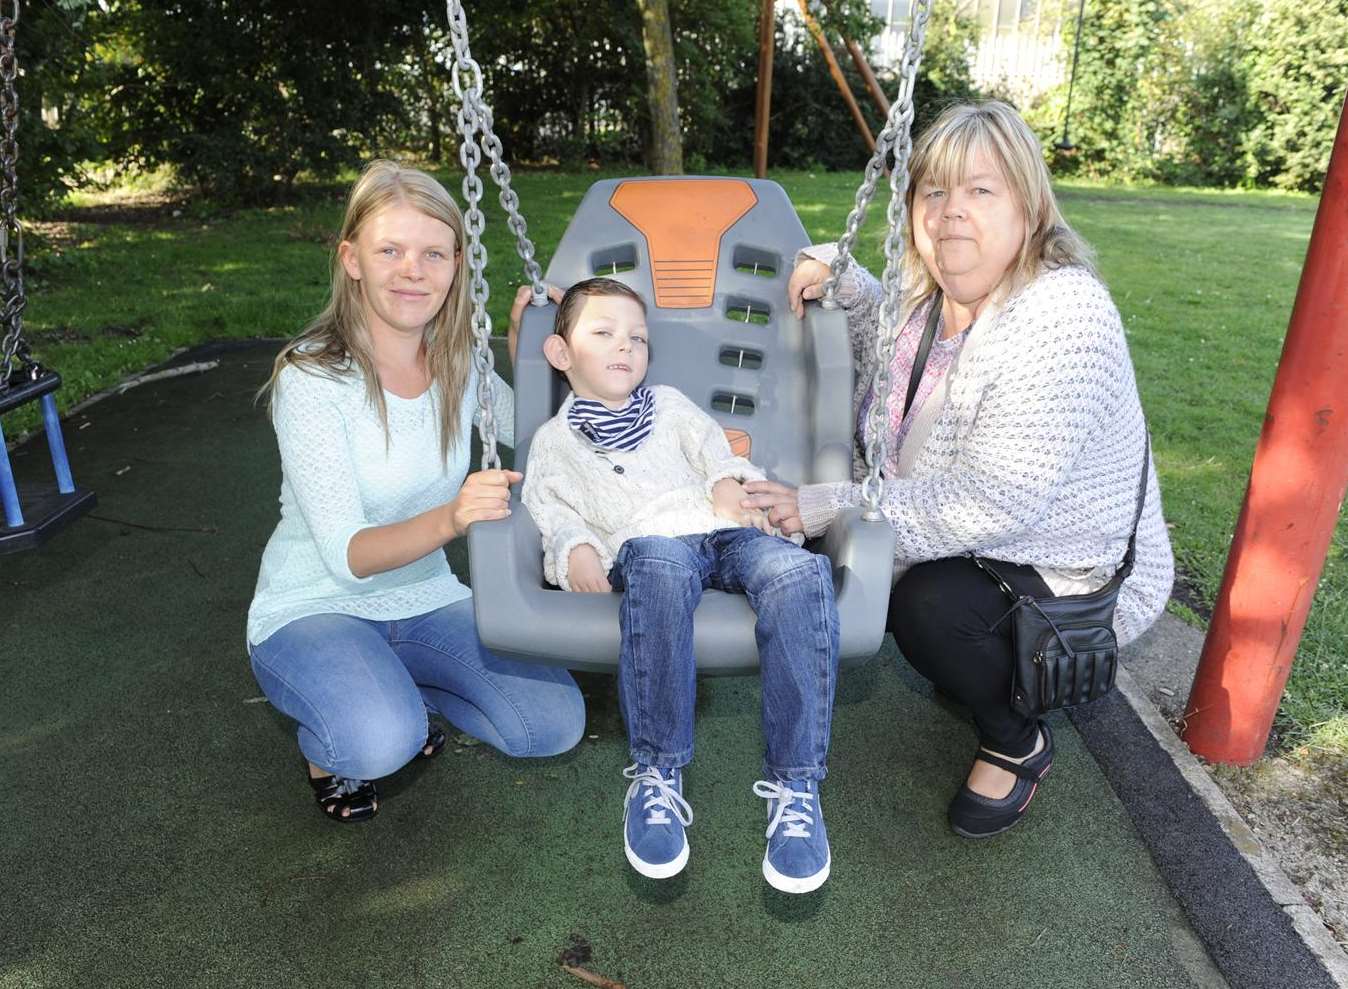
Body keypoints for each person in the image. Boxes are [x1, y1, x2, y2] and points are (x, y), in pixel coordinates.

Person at [741, 100, 1175, 838]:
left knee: (924, 607)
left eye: (981, 191)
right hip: (975, 539)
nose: (950, 214)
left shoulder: (1062, 317)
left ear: (1029, 207)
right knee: (841, 560)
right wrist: (837, 273)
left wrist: (829, 503)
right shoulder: (939, 298)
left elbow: (994, 503)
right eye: (933, 192)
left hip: (1063, 573)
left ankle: (1016, 736)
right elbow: (897, 352)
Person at [246, 160, 585, 823]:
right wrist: (454, 516)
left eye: (434, 253)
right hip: (315, 606)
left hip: (424, 597)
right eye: (390, 250)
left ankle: (398, 686)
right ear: (352, 259)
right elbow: (350, 555)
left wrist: (526, 351)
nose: (413, 270)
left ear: (457, 263)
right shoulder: (312, 379)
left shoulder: (457, 359)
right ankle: (339, 742)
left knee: (552, 722)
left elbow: (541, 439)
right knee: (377, 740)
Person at [521, 277, 840, 893]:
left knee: (797, 571)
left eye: (637, 338)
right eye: (604, 333)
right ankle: (657, 775)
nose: (625, 348)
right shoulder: (555, 444)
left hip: (721, 532)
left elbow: (712, 449)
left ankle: (797, 785)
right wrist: (574, 548)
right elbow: (549, 510)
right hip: (650, 548)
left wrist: (727, 479)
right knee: (660, 569)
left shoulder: (665, 404)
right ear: (561, 354)